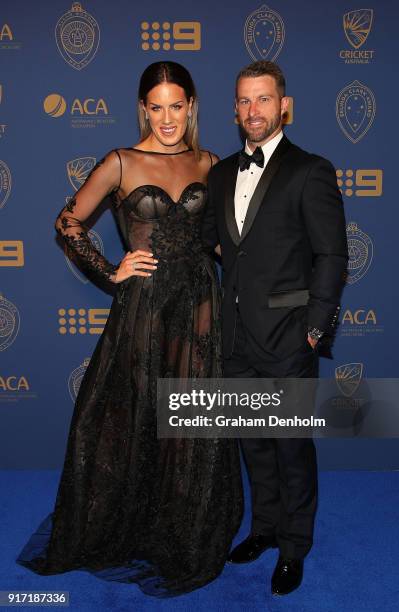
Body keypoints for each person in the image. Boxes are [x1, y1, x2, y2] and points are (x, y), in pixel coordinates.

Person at [16, 61, 243, 598]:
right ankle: (131, 525)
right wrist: (109, 269)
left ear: (191, 106)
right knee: (137, 415)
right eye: (157, 107)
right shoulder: (120, 161)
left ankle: (184, 530)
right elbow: (66, 222)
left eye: (177, 106)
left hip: (198, 305)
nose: (167, 118)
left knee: (192, 420)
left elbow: (216, 240)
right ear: (144, 108)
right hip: (144, 306)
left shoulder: (209, 161)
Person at [202, 60, 348, 596]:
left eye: (263, 99)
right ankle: (263, 529)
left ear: (283, 105)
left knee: (290, 446)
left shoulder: (311, 170)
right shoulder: (219, 175)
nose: (252, 110)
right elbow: (221, 247)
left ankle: (294, 545)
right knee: (253, 442)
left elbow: (332, 253)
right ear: (234, 109)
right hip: (236, 336)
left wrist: (315, 329)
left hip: (290, 337)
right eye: (243, 101)